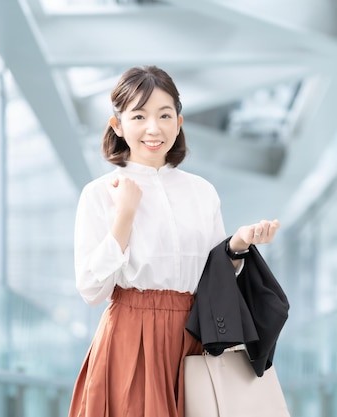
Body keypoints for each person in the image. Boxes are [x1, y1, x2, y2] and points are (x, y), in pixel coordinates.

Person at [68, 65, 280, 417]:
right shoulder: (99, 194)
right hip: (130, 338)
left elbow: (211, 279)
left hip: (192, 337)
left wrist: (237, 245)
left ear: (179, 123)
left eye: (165, 115)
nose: (154, 128)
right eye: (139, 115)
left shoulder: (202, 192)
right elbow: (91, 290)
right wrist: (124, 216)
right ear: (117, 125)